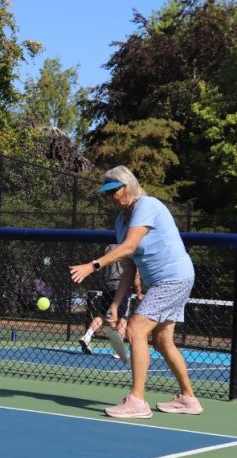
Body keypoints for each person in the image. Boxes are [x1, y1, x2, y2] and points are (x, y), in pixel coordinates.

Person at [70, 165, 202, 418]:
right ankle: (188, 398)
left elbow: (129, 245)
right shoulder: (122, 220)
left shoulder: (147, 206)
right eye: (106, 193)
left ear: (128, 186)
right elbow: (129, 265)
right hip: (163, 281)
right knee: (163, 342)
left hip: (173, 277)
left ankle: (137, 401)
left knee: (135, 329)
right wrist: (116, 304)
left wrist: (93, 265)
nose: (109, 197)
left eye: (113, 191)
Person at [79, 244, 144, 358]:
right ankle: (117, 351)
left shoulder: (108, 249)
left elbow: (100, 268)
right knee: (123, 318)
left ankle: (88, 335)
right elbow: (135, 275)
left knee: (102, 315)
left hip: (107, 287)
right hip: (122, 286)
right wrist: (139, 293)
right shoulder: (127, 248)